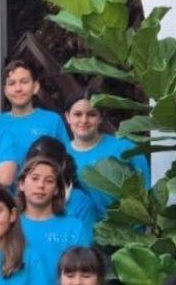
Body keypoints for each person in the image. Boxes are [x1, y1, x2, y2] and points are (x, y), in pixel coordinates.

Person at [64, 88, 151, 222]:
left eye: (91, 114)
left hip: (129, 230)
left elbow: (147, 192)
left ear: (100, 118)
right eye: (77, 114)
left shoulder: (126, 149)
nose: (84, 120)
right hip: (82, 231)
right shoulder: (59, 155)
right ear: (67, 117)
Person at [0, 59, 71, 171]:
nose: (18, 89)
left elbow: (66, 162)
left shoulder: (52, 121)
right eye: (12, 83)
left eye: (24, 82)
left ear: (35, 87)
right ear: (5, 91)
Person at [17, 155, 93, 273]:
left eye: (49, 181)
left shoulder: (75, 228)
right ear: (21, 184)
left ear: (56, 189)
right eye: (35, 178)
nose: (41, 185)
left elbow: (85, 271)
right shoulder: (8, 226)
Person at [24, 136, 97, 227]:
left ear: (63, 164)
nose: (40, 184)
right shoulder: (21, 197)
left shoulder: (80, 203)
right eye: (35, 175)